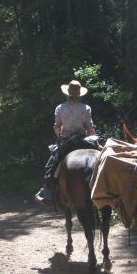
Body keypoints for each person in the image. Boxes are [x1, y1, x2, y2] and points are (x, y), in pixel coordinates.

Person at [35, 79, 97, 208]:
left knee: (50, 167)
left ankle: (48, 195)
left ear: (67, 93)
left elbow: (57, 127)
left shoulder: (60, 108)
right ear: (80, 94)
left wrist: (60, 132)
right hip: (83, 141)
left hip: (67, 141)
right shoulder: (86, 108)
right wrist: (96, 142)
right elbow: (90, 128)